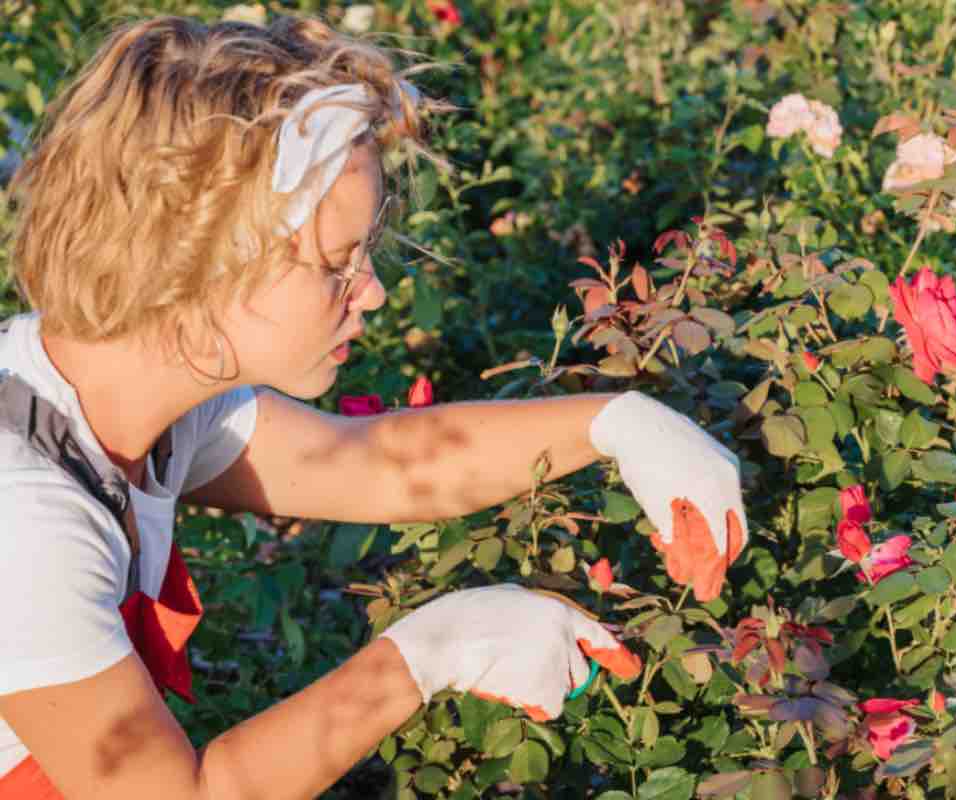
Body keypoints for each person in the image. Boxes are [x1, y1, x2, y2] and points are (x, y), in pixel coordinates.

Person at [0, 14, 747, 800]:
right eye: (334, 264)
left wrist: (618, 425)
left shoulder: (130, 389)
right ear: (200, 262)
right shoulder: (28, 519)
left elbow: (373, 464)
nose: (374, 292)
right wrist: (427, 652)